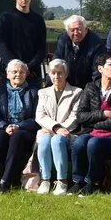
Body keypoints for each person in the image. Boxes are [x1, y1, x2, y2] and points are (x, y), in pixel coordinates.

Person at [70, 51, 111, 196]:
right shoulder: (90, 87)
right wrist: (102, 114)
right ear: (100, 69)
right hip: (90, 132)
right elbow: (80, 116)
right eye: (110, 64)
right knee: (79, 143)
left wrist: (94, 123)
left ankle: (93, 182)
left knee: (93, 144)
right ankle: (78, 181)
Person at [0, 60, 39, 192]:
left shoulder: (34, 92)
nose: (18, 74)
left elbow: (37, 119)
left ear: (26, 74)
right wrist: (5, 126)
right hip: (4, 129)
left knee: (17, 136)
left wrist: (18, 126)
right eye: (14, 72)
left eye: (21, 72)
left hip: (25, 132)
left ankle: (5, 181)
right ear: (7, 74)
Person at [34, 59, 83, 195]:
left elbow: (75, 116)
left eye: (60, 73)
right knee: (43, 140)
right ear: (49, 74)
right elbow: (40, 116)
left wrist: (62, 130)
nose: (56, 76)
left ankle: (62, 181)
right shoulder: (42, 93)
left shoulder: (77, 92)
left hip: (69, 133)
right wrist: (55, 128)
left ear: (66, 74)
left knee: (57, 140)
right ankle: (45, 179)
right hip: (48, 131)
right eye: (53, 73)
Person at [0, 0, 47, 87]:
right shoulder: (5, 18)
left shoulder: (38, 20)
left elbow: (42, 48)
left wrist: (28, 68)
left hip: (32, 75)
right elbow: (1, 46)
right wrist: (17, 67)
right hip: (10, 74)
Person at [53, 14, 104, 89]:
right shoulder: (62, 40)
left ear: (86, 30)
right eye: (72, 30)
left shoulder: (96, 44)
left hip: (87, 86)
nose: (76, 33)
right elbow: (56, 64)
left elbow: (96, 74)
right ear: (67, 31)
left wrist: (90, 94)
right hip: (66, 85)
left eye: (79, 29)